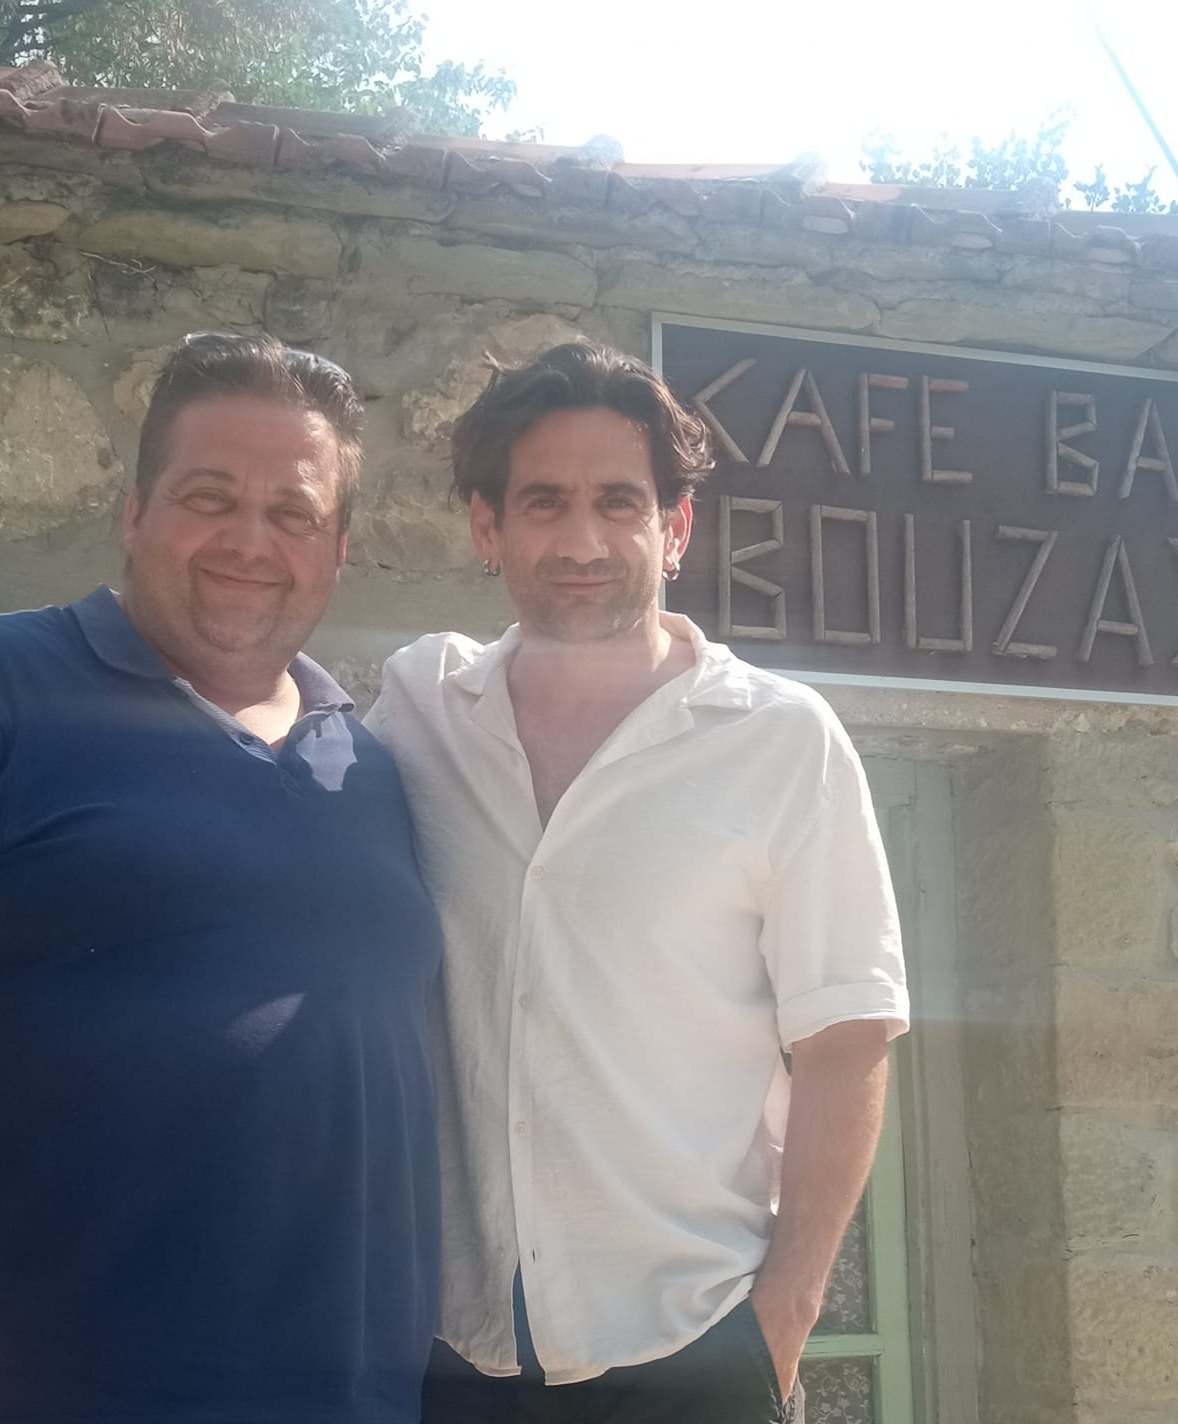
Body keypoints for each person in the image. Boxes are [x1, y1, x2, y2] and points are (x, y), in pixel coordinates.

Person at [0, 333, 443, 1424]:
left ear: (337, 549)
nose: (248, 540)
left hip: (342, 1395)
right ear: (134, 513)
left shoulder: (370, 766)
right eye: (208, 497)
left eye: (291, 512)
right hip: (19, 1386)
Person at [365, 342, 908, 1424]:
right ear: (487, 527)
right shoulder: (419, 711)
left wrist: (783, 1317)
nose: (582, 541)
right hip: (455, 1350)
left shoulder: (779, 740)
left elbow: (846, 1038)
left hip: (693, 1343)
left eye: (619, 501)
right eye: (544, 502)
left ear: (676, 526)